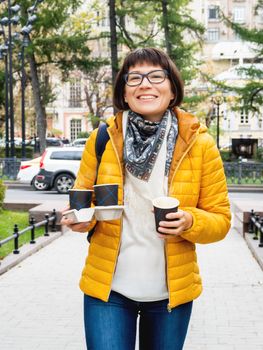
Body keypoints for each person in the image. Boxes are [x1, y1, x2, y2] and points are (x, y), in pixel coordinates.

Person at [61, 47, 231, 350]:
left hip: (171, 295)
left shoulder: (199, 143)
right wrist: (78, 219)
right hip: (108, 291)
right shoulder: (103, 139)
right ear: (124, 93)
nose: (145, 84)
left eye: (156, 76)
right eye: (134, 77)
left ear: (172, 88)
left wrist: (190, 221)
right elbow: (84, 201)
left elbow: (221, 219)